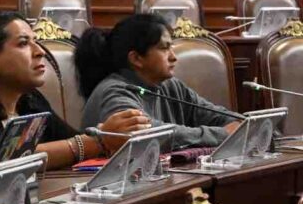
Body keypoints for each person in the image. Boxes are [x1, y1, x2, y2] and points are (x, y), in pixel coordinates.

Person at [0, 12, 150, 177]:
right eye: (23, 43)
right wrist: (96, 142)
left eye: (35, 41)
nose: (39, 51)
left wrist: (106, 135)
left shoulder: (31, 101)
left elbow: (71, 139)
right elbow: (0, 161)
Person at [76, 13, 240, 150]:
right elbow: (145, 135)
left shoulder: (169, 85)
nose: (173, 57)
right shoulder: (114, 92)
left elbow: (217, 116)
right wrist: (222, 135)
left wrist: (240, 125)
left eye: (172, 47)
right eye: (164, 48)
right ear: (136, 58)